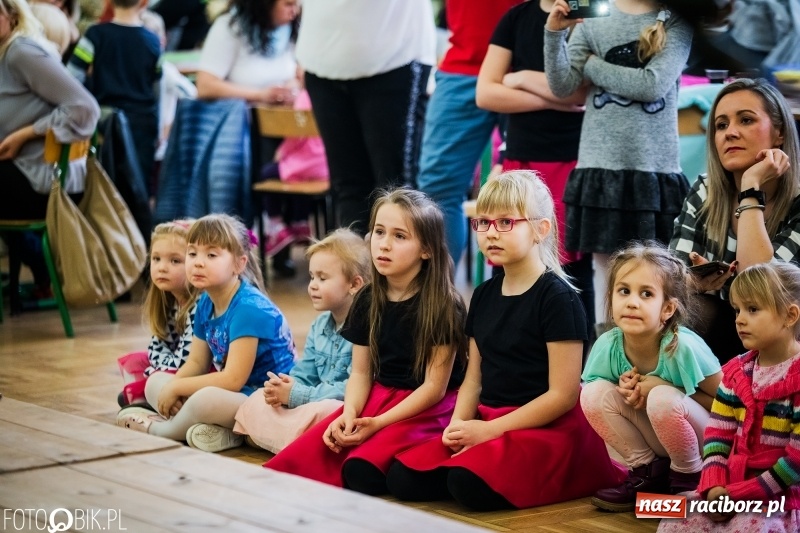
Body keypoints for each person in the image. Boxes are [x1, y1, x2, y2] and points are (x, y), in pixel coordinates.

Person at [385, 171, 626, 511]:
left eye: (505, 222)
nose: (491, 233)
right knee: (402, 478)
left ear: (541, 229)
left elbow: (563, 396)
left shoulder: (558, 298)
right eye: (483, 222)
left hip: (545, 428)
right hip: (491, 419)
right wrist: (458, 426)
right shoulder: (483, 294)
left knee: (465, 485)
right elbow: (473, 380)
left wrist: (490, 431)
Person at [266, 188, 468, 495]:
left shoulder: (443, 305)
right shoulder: (367, 299)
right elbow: (361, 373)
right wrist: (350, 413)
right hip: (380, 396)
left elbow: (434, 388)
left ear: (426, 249)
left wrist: (378, 422)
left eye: (399, 236)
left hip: (427, 406)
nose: (384, 244)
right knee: (320, 464)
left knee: (371, 475)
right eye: (379, 232)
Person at [544, 0, 693, 335]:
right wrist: (553, 34)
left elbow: (652, 85)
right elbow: (563, 86)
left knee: (658, 270)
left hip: (654, 168)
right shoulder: (594, 16)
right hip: (601, 165)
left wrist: (593, 65)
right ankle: (607, 350)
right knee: (605, 271)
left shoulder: (677, 19)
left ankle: (657, 350)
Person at [116, 214, 296, 453]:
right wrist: (173, 386)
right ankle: (218, 431)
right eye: (192, 254)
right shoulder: (205, 302)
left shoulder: (248, 308)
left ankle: (162, 430)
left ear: (239, 264)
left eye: (211, 255)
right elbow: (197, 363)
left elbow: (233, 379)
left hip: (264, 398)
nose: (198, 263)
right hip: (235, 394)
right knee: (156, 382)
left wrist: (177, 389)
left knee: (205, 399)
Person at [476, 0, 593, 334]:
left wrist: (520, 78)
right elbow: (486, 93)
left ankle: (574, 358)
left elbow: (579, 92)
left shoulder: (588, 14)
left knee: (569, 269)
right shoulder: (516, 18)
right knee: (506, 260)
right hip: (521, 163)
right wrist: (556, 99)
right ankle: (503, 345)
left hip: (573, 162)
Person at [659, 262, 800, 533]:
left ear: (790, 315)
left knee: (751, 526)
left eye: (753, 309)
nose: (739, 319)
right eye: (737, 310)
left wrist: (738, 496)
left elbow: (796, 462)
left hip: (781, 496)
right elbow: (717, 436)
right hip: (732, 490)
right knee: (672, 516)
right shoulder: (736, 373)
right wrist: (713, 486)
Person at [581, 243, 722, 512]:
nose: (632, 302)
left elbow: (733, 407)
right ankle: (648, 473)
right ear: (611, 298)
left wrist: (666, 387)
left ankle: (689, 480)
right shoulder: (608, 344)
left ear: (667, 309)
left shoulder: (683, 347)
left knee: (661, 397)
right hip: (664, 442)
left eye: (646, 294)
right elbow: (604, 402)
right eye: (624, 291)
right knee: (592, 393)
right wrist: (624, 388)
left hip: (710, 444)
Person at [670, 78, 800, 364]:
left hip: (783, 339)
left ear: (779, 133)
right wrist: (695, 281)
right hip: (720, 337)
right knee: (676, 310)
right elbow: (670, 278)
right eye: (721, 125)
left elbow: (762, 290)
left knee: (758, 314)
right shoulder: (705, 189)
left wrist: (751, 187)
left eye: (746, 120)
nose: (730, 133)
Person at [294, 0, 436, 233]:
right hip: (321, 62)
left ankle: (398, 257)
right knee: (347, 186)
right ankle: (356, 258)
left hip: (395, 57)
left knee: (396, 188)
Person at [233, 229, 371, 452]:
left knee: (327, 411)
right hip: (311, 401)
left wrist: (298, 395)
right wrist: (285, 386)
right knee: (257, 399)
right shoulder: (319, 325)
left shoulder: (366, 329)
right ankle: (288, 441)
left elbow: (351, 389)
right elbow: (306, 372)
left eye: (322, 278)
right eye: (312, 277)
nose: (312, 285)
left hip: (342, 408)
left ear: (354, 284)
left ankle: (263, 438)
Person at [0, 0, 99, 309]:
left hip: (48, 178)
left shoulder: (20, 52)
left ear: (12, 15)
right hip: (28, 172)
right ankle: (43, 275)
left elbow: (85, 108)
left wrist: (27, 133)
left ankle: (44, 274)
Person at [194, 0, 301, 276]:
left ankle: (285, 236)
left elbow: (299, 72)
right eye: (288, 3)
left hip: (286, 124)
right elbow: (205, 85)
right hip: (241, 128)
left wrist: (291, 88)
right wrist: (260, 95)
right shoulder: (229, 27)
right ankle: (257, 242)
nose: (295, 10)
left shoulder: (292, 28)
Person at [416, 0, 521, 266]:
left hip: (530, 66)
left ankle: (527, 291)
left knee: (526, 188)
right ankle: (439, 289)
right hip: (463, 65)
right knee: (436, 192)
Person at [67, 0, 162, 193]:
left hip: (105, 122)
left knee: (106, 185)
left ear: (108, 2)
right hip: (143, 122)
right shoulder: (153, 41)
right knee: (138, 186)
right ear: (144, 2)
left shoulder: (95, 35)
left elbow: (71, 77)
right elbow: (157, 89)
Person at [117, 220, 198, 408]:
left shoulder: (201, 306)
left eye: (175, 261)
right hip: (175, 364)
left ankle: (157, 402)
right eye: (156, 259)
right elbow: (158, 346)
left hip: (197, 372)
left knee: (152, 379)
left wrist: (156, 371)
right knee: (136, 361)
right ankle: (151, 400)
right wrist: (157, 367)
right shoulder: (171, 301)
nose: (162, 267)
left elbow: (186, 361)